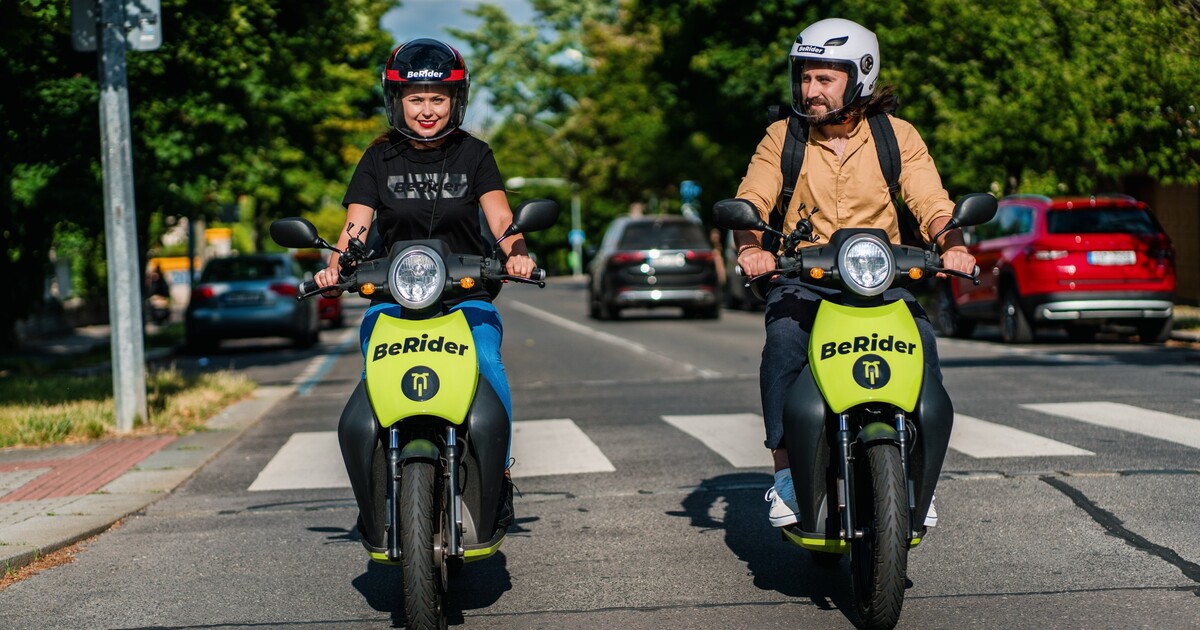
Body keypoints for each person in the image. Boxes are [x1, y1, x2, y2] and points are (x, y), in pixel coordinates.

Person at [729, 18, 976, 528]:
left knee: (924, 348)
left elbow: (932, 203)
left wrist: (954, 247)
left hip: (883, 279)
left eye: (825, 79)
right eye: (805, 77)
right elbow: (750, 201)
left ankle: (916, 480)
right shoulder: (783, 137)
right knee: (783, 346)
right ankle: (784, 476)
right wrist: (753, 248)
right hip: (803, 278)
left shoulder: (896, 136)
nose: (810, 90)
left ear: (860, 76)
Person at [313, 38, 534, 552]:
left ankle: (496, 475)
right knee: (376, 378)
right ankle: (377, 486)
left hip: (464, 295)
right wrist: (334, 267)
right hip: (394, 297)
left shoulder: (476, 154)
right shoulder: (377, 157)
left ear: (456, 100)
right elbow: (354, 228)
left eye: (438, 98)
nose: (427, 110)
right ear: (398, 101)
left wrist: (518, 253)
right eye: (416, 99)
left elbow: (501, 221)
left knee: (485, 360)